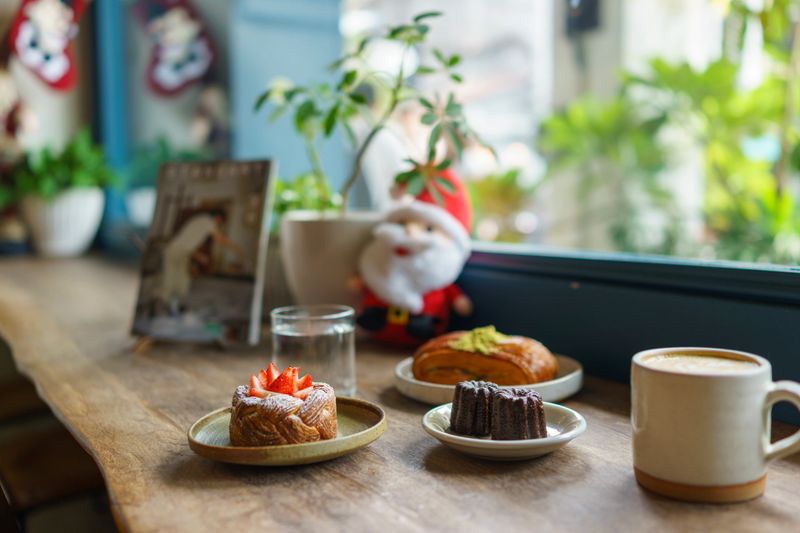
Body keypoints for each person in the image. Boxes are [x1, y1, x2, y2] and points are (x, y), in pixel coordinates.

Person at [351, 169, 473, 346]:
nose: (409, 232)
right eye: (402, 224)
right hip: (376, 335)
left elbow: (454, 296)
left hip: (422, 331)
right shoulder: (378, 265)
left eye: (429, 229)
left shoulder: (438, 276)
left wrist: (459, 301)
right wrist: (360, 281)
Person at [159, 208, 243, 314]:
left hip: (182, 252)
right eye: (220, 222)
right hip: (174, 251)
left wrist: (199, 256)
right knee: (170, 278)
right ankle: (165, 306)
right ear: (218, 218)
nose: (218, 225)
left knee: (182, 280)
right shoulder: (207, 221)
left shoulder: (201, 222)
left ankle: (175, 305)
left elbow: (188, 242)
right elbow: (219, 238)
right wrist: (236, 248)